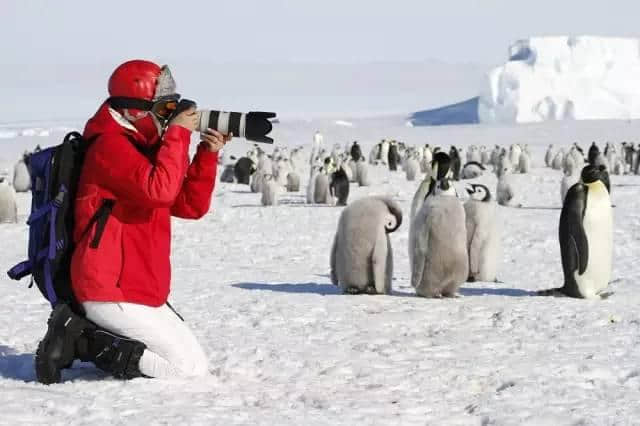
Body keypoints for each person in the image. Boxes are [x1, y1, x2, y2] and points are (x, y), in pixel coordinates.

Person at [35, 59, 231, 383]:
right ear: (133, 110)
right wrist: (179, 133)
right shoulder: (109, 147)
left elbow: (189, 205)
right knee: (183, 370)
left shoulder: (144, 148)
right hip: (107, 287)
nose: (169, 116)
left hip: (140, 286)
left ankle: (94, 336)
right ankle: (80, 337)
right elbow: (160, 191)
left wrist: (207, 155)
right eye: (165, 107)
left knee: (197, 364)